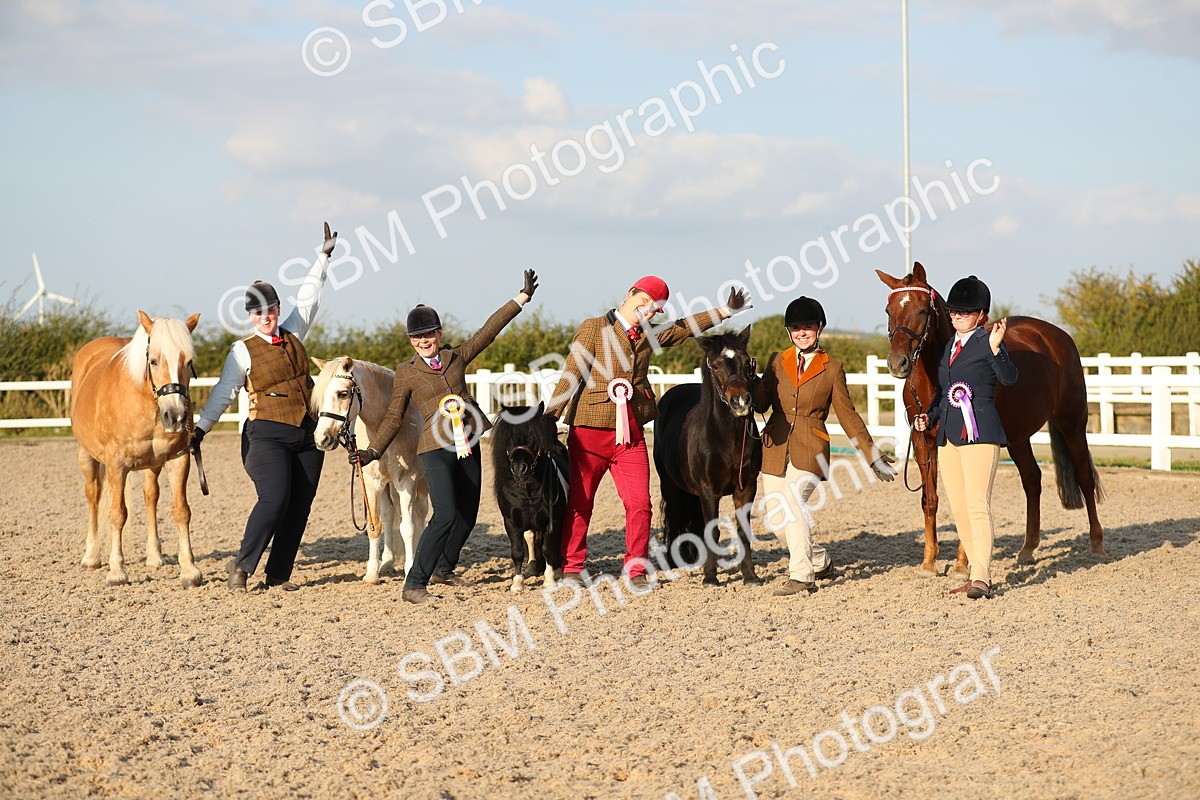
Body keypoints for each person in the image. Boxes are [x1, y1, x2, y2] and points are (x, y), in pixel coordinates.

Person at [546, 276, 751, 588]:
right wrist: (552, 415)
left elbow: (682, 328)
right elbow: (572, 372)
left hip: (630, 433)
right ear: (630, 294)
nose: (649, 311)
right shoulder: (593, 328)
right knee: (581, 502)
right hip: (589, 431)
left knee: (640, 504)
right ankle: (573, 566)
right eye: (645, 303)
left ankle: (636, 570)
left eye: (655, 309)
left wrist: (724, 311)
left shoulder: (649, 334)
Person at [351, 270, 538, 604]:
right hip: (434, 448)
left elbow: (489, 331)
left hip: (467, 442)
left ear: (439, 333)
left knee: (468, 514)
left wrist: (520, 299)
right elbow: (394, 417)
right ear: (411, 341)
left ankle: (442, 567)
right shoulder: (407, 372)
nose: (425, 341)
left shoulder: (456, 357)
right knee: (446, 514)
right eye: (418, 337)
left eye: (429, 334)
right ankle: (414, 582)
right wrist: (372, 452)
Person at [191, 222, 337, 591]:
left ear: (277, 308)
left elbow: (310, 298)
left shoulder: (294, 333)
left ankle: (279, 575)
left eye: (269, 309)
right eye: (257, 312)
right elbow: (224, 393)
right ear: (250, 315)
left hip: (307, 434)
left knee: (300, 505)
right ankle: (242, 566)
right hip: (266, 435)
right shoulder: (241, 351)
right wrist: (201, 429)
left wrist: (322, 258)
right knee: (274, 499)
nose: (265, 316)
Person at [751, 296, 897, 596]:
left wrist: (872, 456)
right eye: (795, 328)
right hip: (775, 447)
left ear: (819, 328)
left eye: (807, 327)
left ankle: (802, 576)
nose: (801, 333)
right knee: (778, 522)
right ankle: (820, 560)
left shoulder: (833, 369)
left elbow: (848, 415)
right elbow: (761, 403)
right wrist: (749, 379)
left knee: (792, 503)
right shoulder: (777, 361)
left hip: (811, 448)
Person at [913, 275, 1017, 599]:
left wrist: (997, 349)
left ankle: (983, 577)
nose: (957, 317)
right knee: (958, 507)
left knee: (976, 504)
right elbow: (945, 392)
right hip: (948, 438)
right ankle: (974, 571)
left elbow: (1010, 378)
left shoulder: (987, 343)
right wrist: (928, 416)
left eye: (965, 312)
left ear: (981, 315)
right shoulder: (948, 348)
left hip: (980, 434)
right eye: (954, 312)